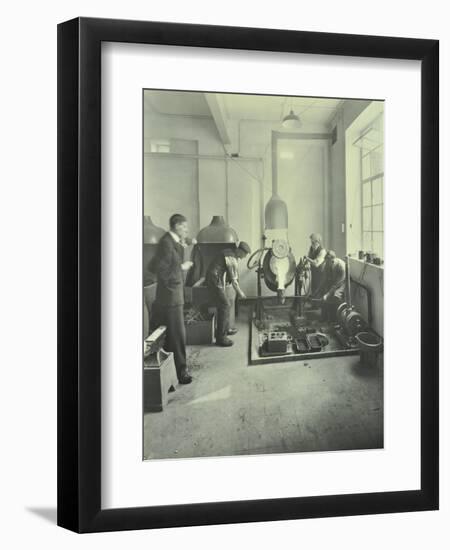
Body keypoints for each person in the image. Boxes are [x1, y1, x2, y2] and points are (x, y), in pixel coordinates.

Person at [150, 214, 193, 384]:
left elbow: (152, 265)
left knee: (170, 336)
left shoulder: (171, 242)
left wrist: (184, 244)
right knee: (177, 335)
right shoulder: (166, 243)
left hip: (170, 295)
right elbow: (161, 270)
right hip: (171, 297)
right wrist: (181, 267)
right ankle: (182, 372)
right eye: (184, 227)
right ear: (176, 226)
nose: (186, 230)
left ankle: (172, 371)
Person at [205, 241, 251, 347]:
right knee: (225, 305)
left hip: (215, 277)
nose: (244, 257)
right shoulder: (232, 258)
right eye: (244, 255)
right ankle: (221, 338)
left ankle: (225, 329)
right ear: (240, 251)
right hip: (214, 279)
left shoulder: (228, 252)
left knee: (225, 305)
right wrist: (241, 293)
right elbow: (234, 281)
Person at [315, 250, 346, 322]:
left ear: (332, 260)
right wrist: (318, 290)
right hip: (333, 282)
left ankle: (335, 320)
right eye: (326, 262)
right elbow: (324, 279)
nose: (326, 264)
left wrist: (327, 295)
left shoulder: (341, 266)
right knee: (323, 293)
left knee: (336, 295)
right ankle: (324, 318)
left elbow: (337, 284)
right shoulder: (327, 264)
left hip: (342, 283)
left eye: (327, 262)